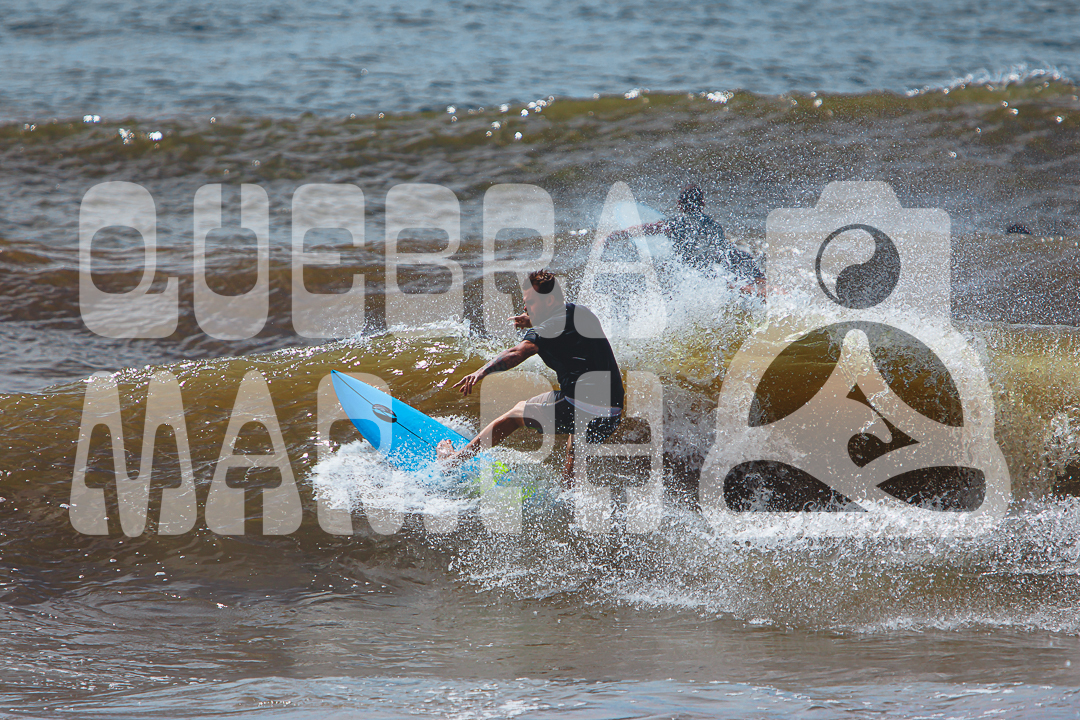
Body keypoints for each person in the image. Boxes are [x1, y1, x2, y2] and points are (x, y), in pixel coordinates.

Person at [437, 270, 624, 486]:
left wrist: (481, 372)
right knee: (575, 447)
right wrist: (534, 318)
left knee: (516, 414)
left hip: (581, 407)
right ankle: (568, 493)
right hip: (612, 413)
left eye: (531, 303)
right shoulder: (581, 313)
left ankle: (453, 460)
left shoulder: (543, 331)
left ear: (549, 300)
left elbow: (517, 353)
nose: (525, 308)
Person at [607, 184, 763, 288]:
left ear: (679, 204)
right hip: (728, 258)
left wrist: (615, 235)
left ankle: (750, 289)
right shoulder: (713, 224)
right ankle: (771, 290)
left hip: (700, 271)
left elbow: (646, 229)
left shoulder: (675, 223)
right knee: (750, 274)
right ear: (703, 204)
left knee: (729, 284)